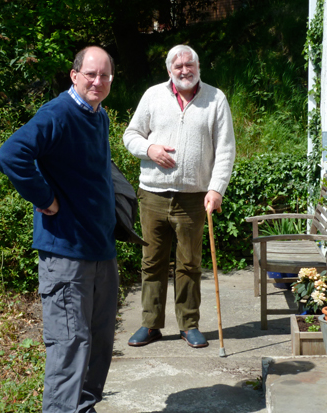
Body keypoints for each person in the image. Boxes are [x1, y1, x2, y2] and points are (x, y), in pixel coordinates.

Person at [0, 46, 117, 413]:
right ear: (74, 75)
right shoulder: (58, 113)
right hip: (66, 252)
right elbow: (11, 154)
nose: (98, 81)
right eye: (91, 74)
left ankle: (83, 408)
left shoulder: (99, 116)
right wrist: (46, 199)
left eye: (105, 75)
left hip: (99, 249)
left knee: (98, 345)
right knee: (69, 346)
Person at [123, 44, 236, 349]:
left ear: (198, 66)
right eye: (178, 66)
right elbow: (130, 135)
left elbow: (225, 149)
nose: (185, 70)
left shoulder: (215, 98)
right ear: (169, 70)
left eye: (190, 65)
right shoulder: (153, 96)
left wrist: (216, 189)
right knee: (152, 262)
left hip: (193, 196)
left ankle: (189, 324)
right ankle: (150, 324)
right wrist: (150, 149)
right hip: (153, 195)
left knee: (189, 263)